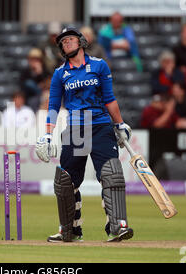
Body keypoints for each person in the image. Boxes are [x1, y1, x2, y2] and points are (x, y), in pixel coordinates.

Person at [35, 27, 134, 243]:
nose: (66, 43)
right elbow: (53, 105)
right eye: (62, 42)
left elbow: (109, 98)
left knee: (111, 174)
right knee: (66, 181)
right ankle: (69, 231)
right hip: (75, 131)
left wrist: (119, 124)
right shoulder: (60, 73)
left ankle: (117, 226)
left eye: (70, 39)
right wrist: (47, 135)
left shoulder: (99, 65)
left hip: (100, 126)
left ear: (81, 41)